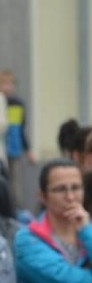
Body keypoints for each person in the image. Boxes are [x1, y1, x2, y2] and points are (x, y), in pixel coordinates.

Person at [0, 70, 35, 208]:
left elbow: (21, 128)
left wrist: (28, 150)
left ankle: (15, 207)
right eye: (3, 83)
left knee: (15, 182)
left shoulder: (17, 103)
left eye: (10, 83)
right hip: (2, 147)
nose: (7, 87)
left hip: (14, 148)